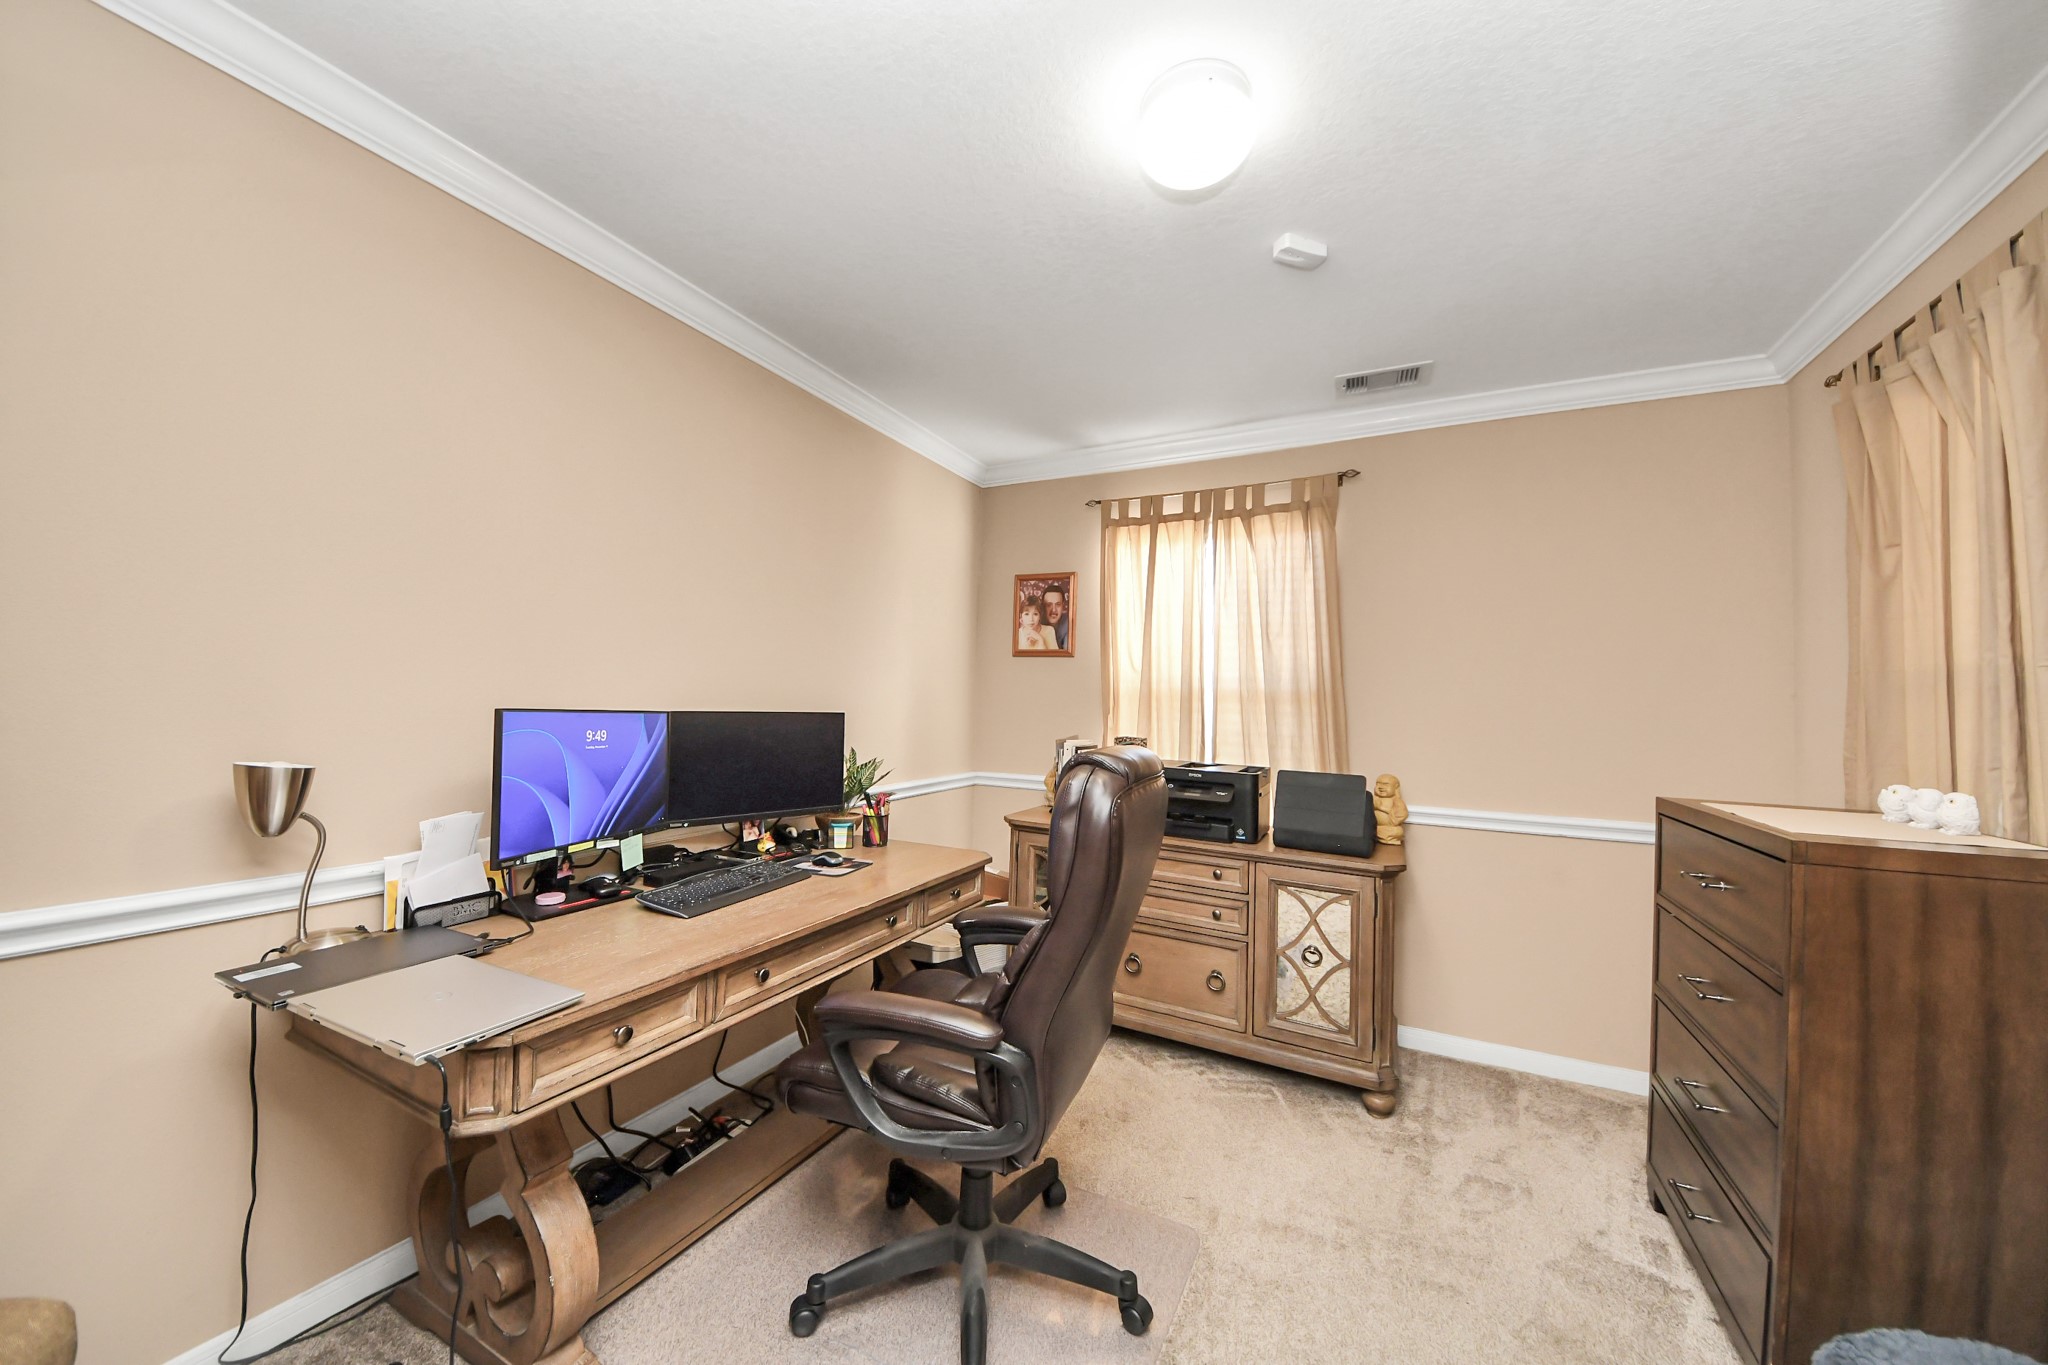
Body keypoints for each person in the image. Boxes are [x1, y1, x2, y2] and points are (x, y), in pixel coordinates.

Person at [1041, 582, 1069, 651]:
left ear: (1063, 606)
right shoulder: (1035, 621)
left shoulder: (1069, 623)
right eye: (1049, 605)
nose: (1053, 610)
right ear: (1042, 606)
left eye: (1058, 604)